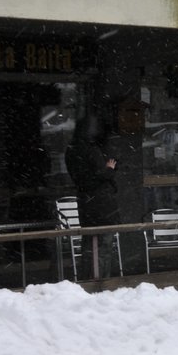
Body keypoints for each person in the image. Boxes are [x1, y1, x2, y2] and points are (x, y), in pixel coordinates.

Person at [64, 115, 121, 278]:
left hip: (86, 203)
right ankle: (101, 279)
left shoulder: (72, 149)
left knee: (89, 244)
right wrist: (110, 169)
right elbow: (101, 173)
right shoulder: (92, 149)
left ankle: (88, 277)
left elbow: (84, 177)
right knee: (104, 245)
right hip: (102, 204)